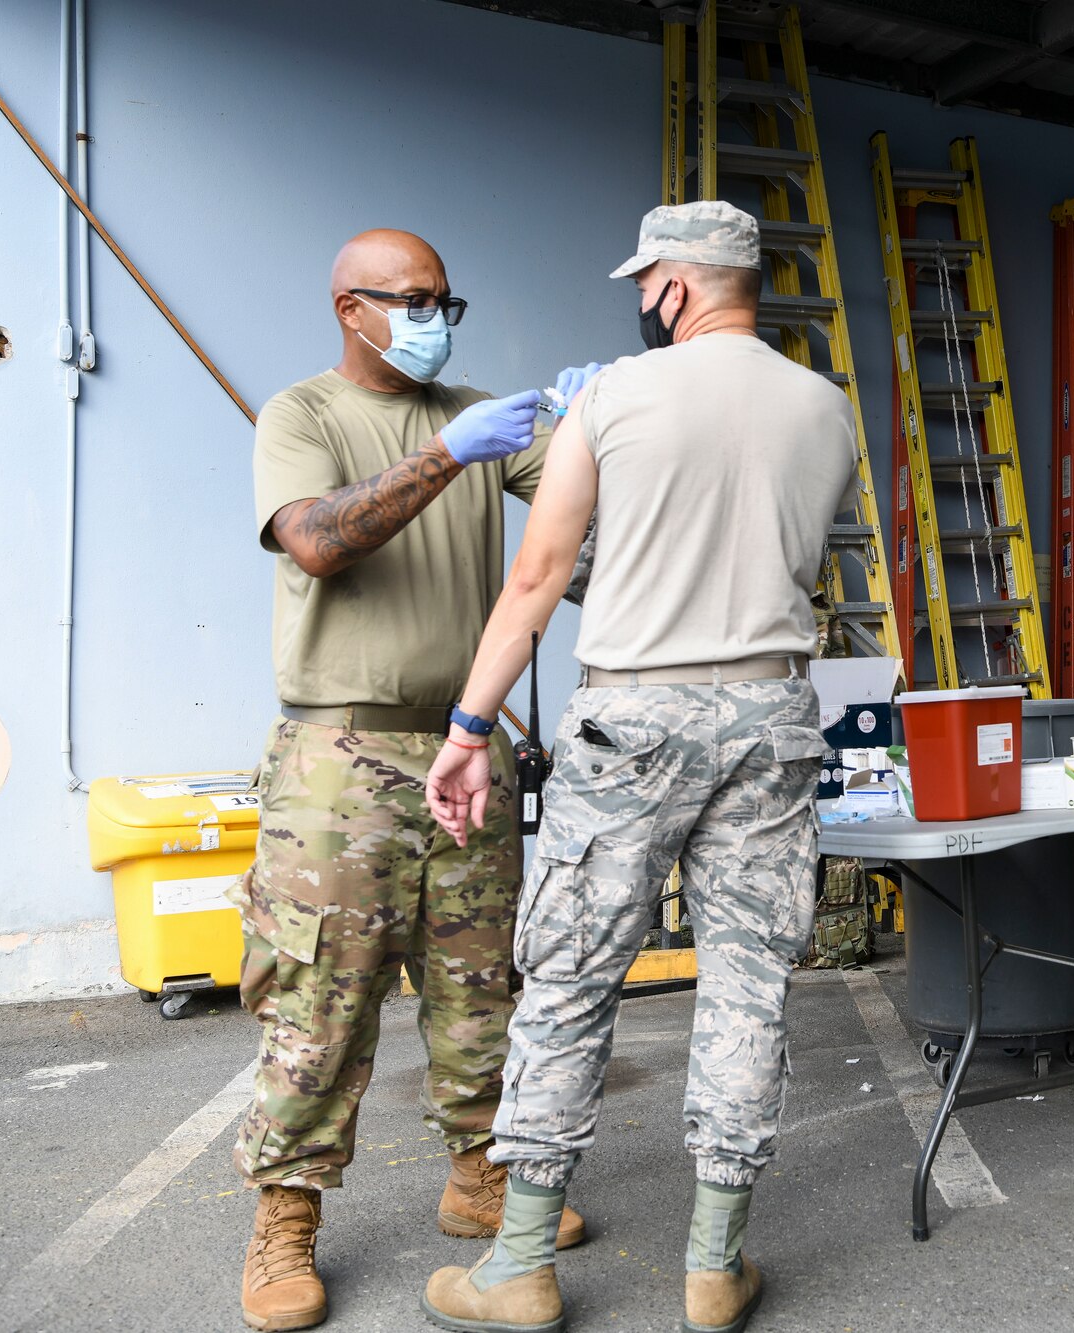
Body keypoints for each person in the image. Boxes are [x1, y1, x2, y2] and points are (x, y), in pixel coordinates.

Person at [418, 200, 853, 1333]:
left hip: (634, 717)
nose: (638, 306)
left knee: (567, 981)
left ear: (675, 287)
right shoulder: (827, 409)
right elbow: (777, 556)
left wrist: (469, 731)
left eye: (643, 286)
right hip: (769, 713)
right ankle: (714, 1266)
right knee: (749, 984)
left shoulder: (612, 394)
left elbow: (538, 581)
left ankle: (518, 1266)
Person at [236, 229, 596, 1330]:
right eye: (415, 299)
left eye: (448, 300)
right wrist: (450, 453)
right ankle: (284, 1217)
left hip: (462, 744)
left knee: (480, 980)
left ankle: (478, 1173)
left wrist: (604, 426)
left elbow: (585, 514)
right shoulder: (301, 415)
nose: (437, 316)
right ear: (352, 307)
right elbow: (316, 540)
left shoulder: (486, 412)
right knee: (320, 994)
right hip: (335, 757)